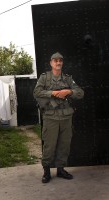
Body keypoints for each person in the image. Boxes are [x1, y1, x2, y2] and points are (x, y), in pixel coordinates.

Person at [33, 52, 84, 183]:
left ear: (62, 63)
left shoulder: (67, 79)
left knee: (64, 145)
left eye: (60, 60)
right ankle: (46, 171)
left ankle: (61, 169)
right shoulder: (44, 78)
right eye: (55, 61)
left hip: (66, 117)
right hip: (51, 117)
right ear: (51, 63)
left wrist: (69, 91)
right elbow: (36, 92)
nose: (58, 63)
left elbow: (80, 93)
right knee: (49, 145)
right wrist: (52, 93)